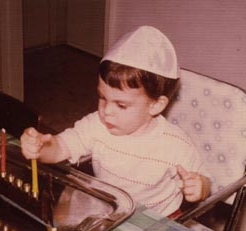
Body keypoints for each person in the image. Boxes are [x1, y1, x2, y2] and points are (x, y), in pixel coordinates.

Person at [20, 26, 210, 216]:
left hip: (157, 220)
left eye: (121, 105)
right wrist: (41, 148)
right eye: (102, 97)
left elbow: (205, 181)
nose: (106, 111)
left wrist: (199, 187)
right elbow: (61, 147)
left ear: (155, 105)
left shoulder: (176, 144)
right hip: (110, 209)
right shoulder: (96, 125)